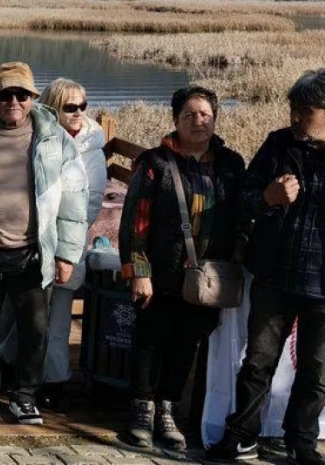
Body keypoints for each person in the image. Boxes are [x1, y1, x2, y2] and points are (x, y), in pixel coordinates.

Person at [0, 62, 88, 426]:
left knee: (34, 332)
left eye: (21, 94)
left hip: (34, 254)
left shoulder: (55, 140)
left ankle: (25, 397)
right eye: (5, 94)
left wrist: (67, 254)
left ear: (32, 98)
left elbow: (75, 200)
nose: (13, 101)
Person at [207, 69, 325, 465]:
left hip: (323, 284)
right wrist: (268, 197)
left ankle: (301, 441)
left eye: (304, 110)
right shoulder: (278, 144)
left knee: (317, 371)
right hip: (275, 273)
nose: (294, 117)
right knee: (257, 363)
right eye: (293, 108)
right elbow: (242, 196)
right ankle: (241, 436)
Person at [119, 86, 244, 450]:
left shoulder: (231, 165)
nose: (197, 121)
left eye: (204, 114)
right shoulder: (155, 163)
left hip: (208, 279)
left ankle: (167, 410)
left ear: (215, 118)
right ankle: (141, 412)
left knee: (185, 345)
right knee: (150, 341)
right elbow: (135, 223)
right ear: (175, 120)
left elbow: (243, 215)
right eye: (189, 114)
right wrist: (139, 271)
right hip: (161, 273)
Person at [0, 78, 108, 408]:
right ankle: (12, 364)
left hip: (66, 249)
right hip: (27, 244)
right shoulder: (33, 137)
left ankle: (54, 380)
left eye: (83, 106)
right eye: (70, 107)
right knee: (22, 314)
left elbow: (89, 206)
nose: (78, 113)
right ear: (52, 108)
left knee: (57, 320)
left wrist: (63, 249)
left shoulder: (92, 151)